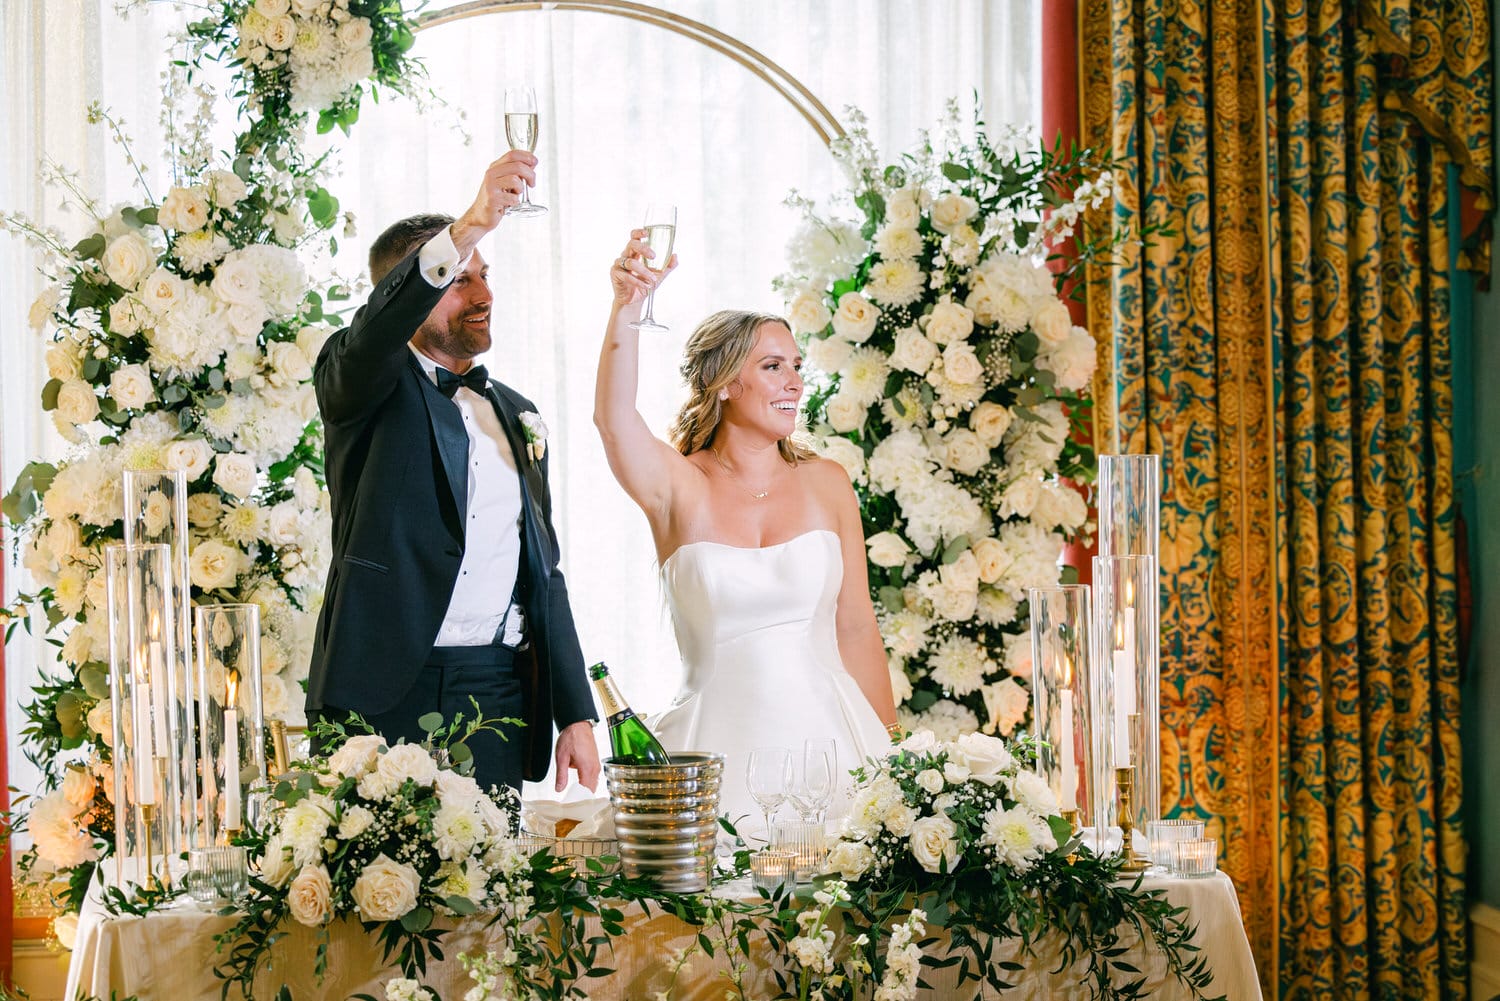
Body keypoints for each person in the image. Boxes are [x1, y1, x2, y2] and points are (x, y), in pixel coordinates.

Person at [306, 150, 600, 796]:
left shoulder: (516, 413)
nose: (484, 295)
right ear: (404, 294)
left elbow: (543, 570)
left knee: (490, 890)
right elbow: (373, 337)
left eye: (485, 276)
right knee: (379, 889)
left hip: (496, 690)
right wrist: (469, 227)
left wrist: (574, 710)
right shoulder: (359, 381)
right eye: (461, 278)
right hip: (382, 688)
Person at [593, 232, 898, 836]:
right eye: (772, 366)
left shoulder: (828, 483)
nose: (793, 381)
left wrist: (894, 764)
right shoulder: (677, 487)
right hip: (714, 760)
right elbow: (614, 419)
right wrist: (626, 307)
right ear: (726, 383)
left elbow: (857, 627)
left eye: (796, 367)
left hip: (837, 753)